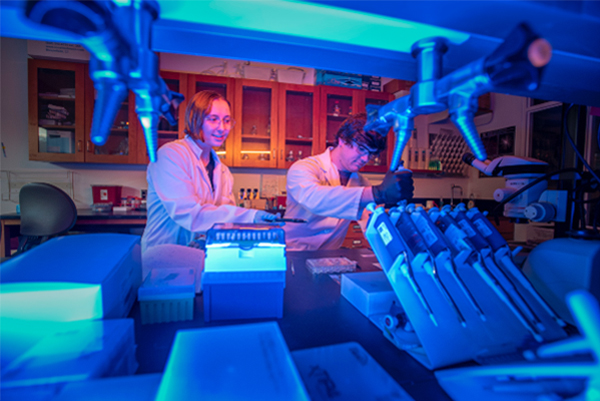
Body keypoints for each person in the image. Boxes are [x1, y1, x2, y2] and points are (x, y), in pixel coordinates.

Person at [141, 90, 277, 288]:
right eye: (213, 119)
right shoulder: (170, 155)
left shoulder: (222, 171)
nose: (222, 128)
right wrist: (251, 216)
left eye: (227, 120)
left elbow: (224, 221)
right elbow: (191, 215)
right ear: (196, 120)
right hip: (163, 263)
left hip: (199, 262)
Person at [283, 113, 413, 251]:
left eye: (371, 154)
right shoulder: (304, 167)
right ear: (342, 140)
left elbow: (371, 225)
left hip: (329, 259)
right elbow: (314, 199)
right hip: (292, 254)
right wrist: (377, 193)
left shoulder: (362, 182)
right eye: (362, 149)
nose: (365, 158)